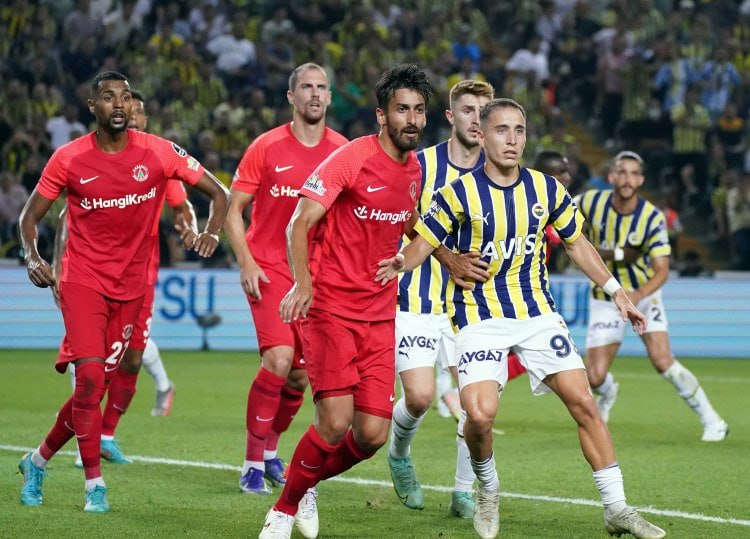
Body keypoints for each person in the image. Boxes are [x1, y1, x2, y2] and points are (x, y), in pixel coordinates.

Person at [377, 99, 666, 539]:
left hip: (536, 314)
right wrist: (400, 263)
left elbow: (577, 243)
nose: (512, 140)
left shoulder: (546, 189)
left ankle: (617, 508)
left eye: (519, 130)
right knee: (479, 416)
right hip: (478, 316)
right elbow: (423, 242)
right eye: (502, 130)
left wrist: (617, 292)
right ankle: (488, 489)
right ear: (482, 136)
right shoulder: (458, 193)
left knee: (584, 402)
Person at [16, 71, 229, 513]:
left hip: (131, 287)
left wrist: (210, 231)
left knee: (93, 390)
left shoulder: (159, 152)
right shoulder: (68, 159)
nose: (119, 103)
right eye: (109, 97)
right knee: (91, 379)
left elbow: (218, 192)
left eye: (125, 97)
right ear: (92, 106)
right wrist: (32, 257)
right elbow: (29, 218)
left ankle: (36, 461)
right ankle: (94, 486)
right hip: (83, 281)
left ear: (132, 106)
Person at [259, 63, 438, 539]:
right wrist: (302, 284)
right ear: (381, 114)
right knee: (335, 422)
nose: (412, 120)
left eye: (419, 110)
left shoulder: (414, 170)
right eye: (402, 110)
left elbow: (407, 221)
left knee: (372, 435)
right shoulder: (351, 158)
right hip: (332, 309)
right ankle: (282, 511)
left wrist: (443, 256)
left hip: (380, 315)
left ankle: (306, 481)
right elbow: (299, 222)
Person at [225, 63, 347, 502]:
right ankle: (251, 465)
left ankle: (271, 452)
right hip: (271, 269)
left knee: (298, 379)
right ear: (291, 97)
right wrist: (246, 263)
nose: (314, 94)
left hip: (316, 276)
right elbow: (233, 210)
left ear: (329, 97)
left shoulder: (343, 152)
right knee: (278, 359)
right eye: (306, 87)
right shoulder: (266, 146)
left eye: (321, 87)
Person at [58, 89, 193, 468]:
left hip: (140, 277)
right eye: (123, 110)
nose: (129, 117)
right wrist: (56, 266)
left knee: (131, 360)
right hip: (91, 274)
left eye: (136, 112)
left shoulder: (156, 159)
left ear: (144, 119)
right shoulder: (90, 159)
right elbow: (65, 217)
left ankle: (105, 435)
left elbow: (182, 204)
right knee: (89, 362)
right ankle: (83, 440)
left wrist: (190, 228)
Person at [386, 79, 494, 519]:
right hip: (416, 298)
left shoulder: (499, 172)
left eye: (484, 112)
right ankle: (398, 454)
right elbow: (401, 213)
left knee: (474, 405)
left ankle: (463, 491)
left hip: (472, 308)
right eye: (468, 110)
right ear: (450, 116)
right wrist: (445, 255)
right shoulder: (421, 165)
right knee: (418, 398)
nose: (476, 120)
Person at [575, 150, 728, 442]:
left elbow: (662, 270)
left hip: (643, 295)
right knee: (594, 377)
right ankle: (609, 391)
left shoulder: (652, 218)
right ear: (611, 176)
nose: (627, 179)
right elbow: (561, 219)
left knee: (662, 360)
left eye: (634, 173)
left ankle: (713, 420)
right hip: (605, 297)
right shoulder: (589, 202)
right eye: (622, 172)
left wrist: (638, 293)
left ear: (641, 180)